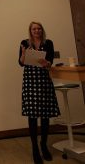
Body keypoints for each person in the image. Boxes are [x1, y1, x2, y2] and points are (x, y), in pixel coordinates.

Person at [18, 21, 60, 164]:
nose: (37, 31)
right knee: (32, 116)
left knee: (45, 115)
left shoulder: (48, 43)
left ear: (42, 30)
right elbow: (21, 63)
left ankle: (43, 144)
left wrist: (46, 63)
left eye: (39, 28)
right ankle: (35, 148)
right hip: (30, 82)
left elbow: (50, 63)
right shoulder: (24, 42)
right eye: (34, 29)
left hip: (43, 81)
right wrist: (23, 54)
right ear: (30, 31)